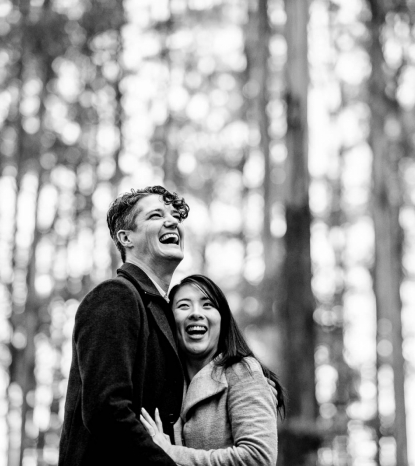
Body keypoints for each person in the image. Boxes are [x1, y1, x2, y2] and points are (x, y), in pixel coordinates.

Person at [59, 186, 190, 465]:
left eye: (175, 215)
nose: (173, 221)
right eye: (156, 215)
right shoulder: (115, 296)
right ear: (126, 237)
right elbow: (106, 411)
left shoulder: (163, 310)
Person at [139, 274, 285, 466]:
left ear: (222, 320)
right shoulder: (163, 385)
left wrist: (172, 452)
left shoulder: (242, 372)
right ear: (168, 323)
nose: (196, 313)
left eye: (207, 305)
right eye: (183, 306)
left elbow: (257, 458)